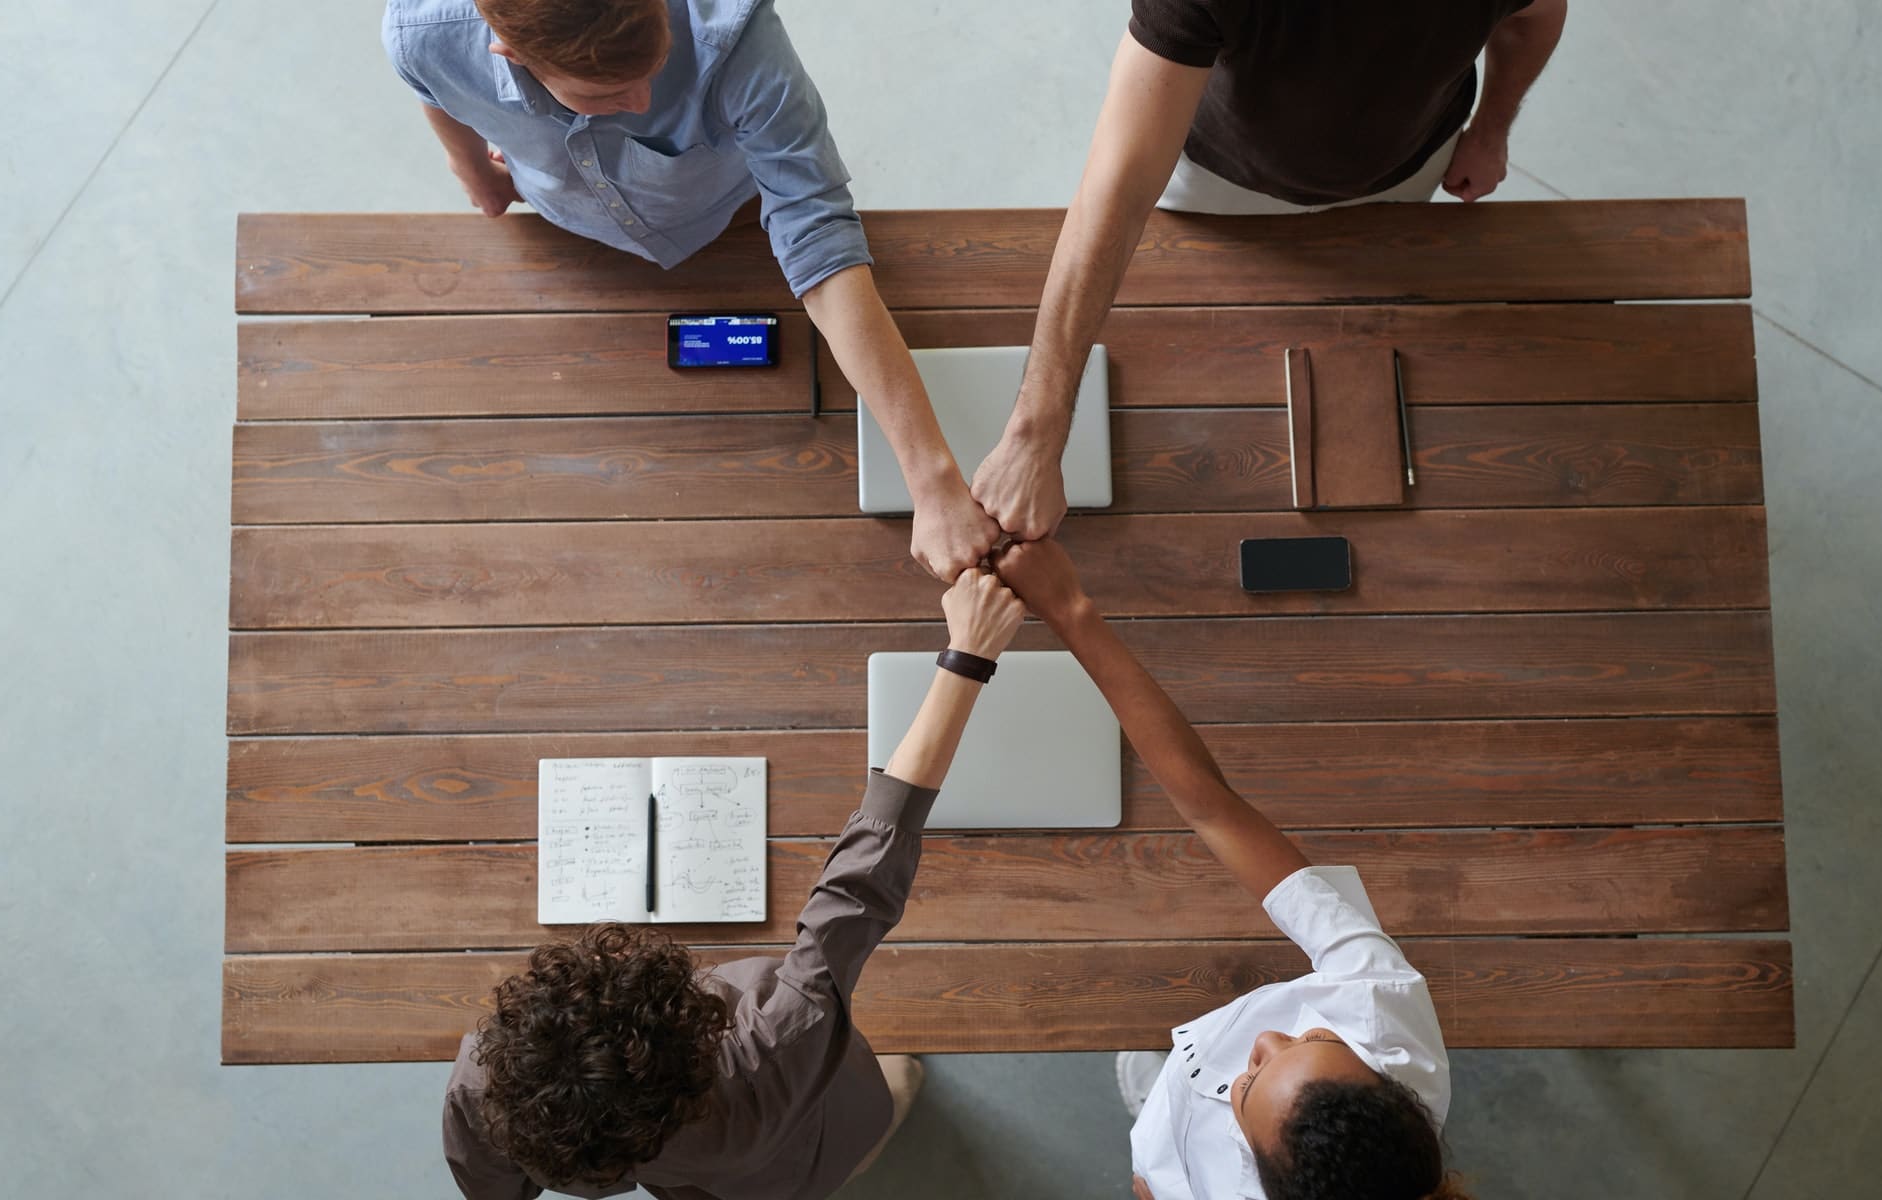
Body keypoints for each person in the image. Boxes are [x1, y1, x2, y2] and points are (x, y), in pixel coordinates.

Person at [440, 568, 1028, 1198]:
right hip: (797, 1145)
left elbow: (492, 1188)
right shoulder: (764, 1061)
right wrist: (966, 657)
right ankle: (900, 1089)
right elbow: (856, 890)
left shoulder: (487, 1086)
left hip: (732, 1181)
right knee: (887, 1093)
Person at [383, 0, 998, 579]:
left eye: (654, 64)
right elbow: (431, 83)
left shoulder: (737, 39)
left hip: (722, 208)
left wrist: (933, 482)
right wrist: (472, 172)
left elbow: (818, 235)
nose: (645, 98)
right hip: (566, 229)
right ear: (509, 53)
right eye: (610, 93)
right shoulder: (421, 33)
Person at [970, 0, 1568, 542]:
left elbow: (1536, 14)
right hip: (1215, 178)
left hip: (1408, 168)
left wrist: (1490, 129)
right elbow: (1120, 189)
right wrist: (1033, 435)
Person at [993, 539, 1466, 1200]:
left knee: (1152, 1149)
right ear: (1393, 1083)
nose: (1269, 1035)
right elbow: (1211, 806)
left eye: (1248, 1079)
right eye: (1318, 1037)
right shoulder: (1380, 1008)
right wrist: (1071, 611)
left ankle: (1160, 1103)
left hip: (1168, 1164)